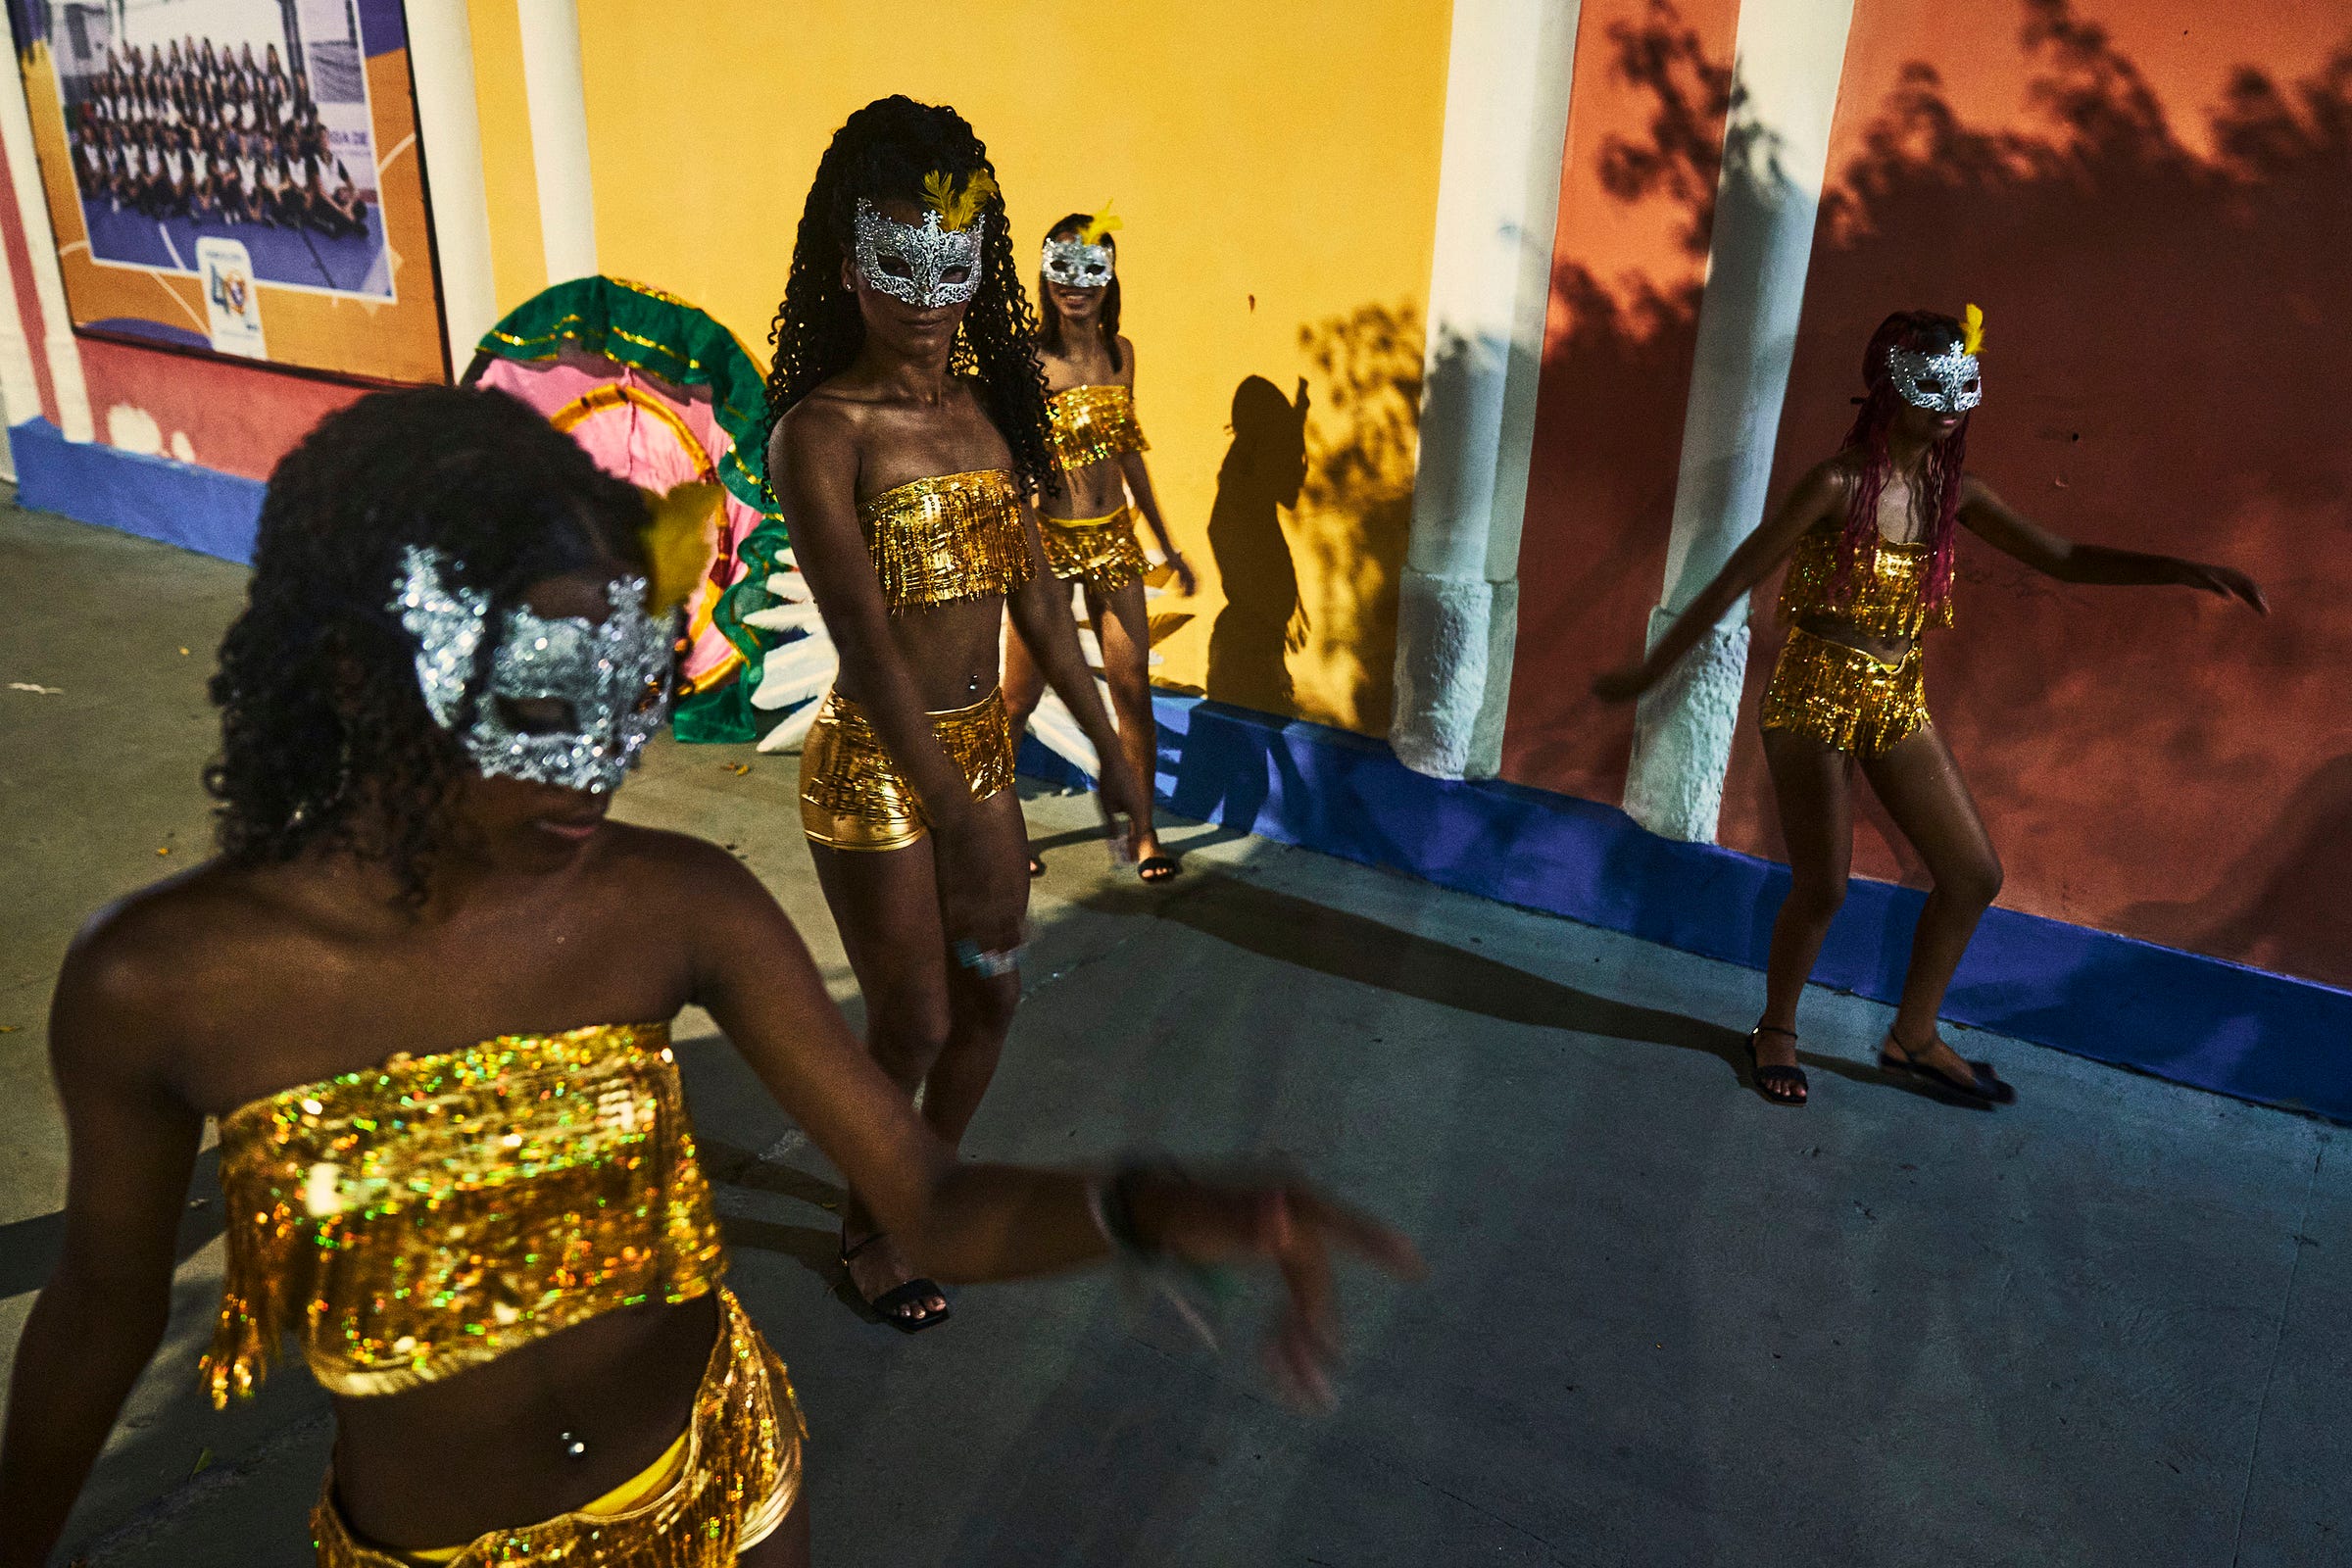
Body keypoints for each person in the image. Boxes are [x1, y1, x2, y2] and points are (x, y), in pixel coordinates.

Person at [0, 386, 1418, 1568]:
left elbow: (927, 1197)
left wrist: (1164, 1206)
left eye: (631, 704)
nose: (601, 770)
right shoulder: (164, 985)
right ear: (365, 679)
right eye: (550, 708)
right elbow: (103, 1308)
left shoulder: (672, 905)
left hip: (731, 1501)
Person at [1595, 309, 2266, 1107]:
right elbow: (1734, 578)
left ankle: (1912, 1035)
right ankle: (1775, 1029)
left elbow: (2062, 558)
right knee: (1825, 886)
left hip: (1896, 694)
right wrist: (1648, 678)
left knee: (1973, 873)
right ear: (1888, 388)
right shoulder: (1835, 485)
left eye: (1964, 385)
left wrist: (2179, 569)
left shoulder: (1957, 494)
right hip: (1814, 691)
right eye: (1931, 383)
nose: (1951, 402)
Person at [763, 97, 1152, 1332]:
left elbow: (1039, 596)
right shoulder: (819, 434)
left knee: (990, 1001)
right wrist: (965, 809)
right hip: (880, 771)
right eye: (896, 262)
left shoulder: (989, 411)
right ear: (847, 265)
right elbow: (867, 643)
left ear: (983, 262)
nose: (926, 295)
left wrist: (1108, 745)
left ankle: (912, 1194)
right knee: (916, 1015)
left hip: (980, 757)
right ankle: (869, 1226)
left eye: (952, 262)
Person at [1004, 211, 1198, 882]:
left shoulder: (1121, 355)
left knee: (1132, 686)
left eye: (1091, 269)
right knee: (1016, 700)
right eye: (1064, 268)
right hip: (1047, 545)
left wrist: (1168, 546)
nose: (1075, 285)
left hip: (1115, 541)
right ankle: (1001, 833)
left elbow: (1129, 452)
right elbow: (1006, 458)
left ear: (1110, 278)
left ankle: (1145, 834)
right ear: (1046, 273)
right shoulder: (1029, 362)